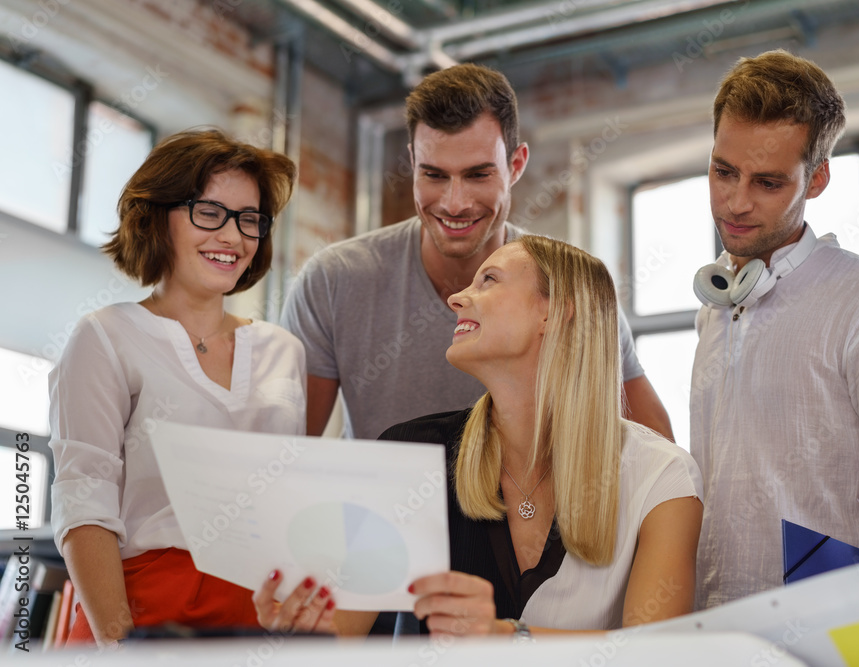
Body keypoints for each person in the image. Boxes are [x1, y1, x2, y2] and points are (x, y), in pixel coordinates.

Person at [253, 235, 703, 637]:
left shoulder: (661, 477)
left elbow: (657, 654)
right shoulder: (408, 455)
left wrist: (507, 638)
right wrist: (302, 627)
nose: (456, 298)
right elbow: (341, 630)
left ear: (556, 311)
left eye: (488, 280)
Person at [689, 49, 859, 634]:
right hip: (720, 631)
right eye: (723, 171)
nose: (735, 202)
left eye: (768, 182)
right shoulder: (717, 306)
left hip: (838, 634)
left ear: (819, 176)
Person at [280, 63, 673, 443]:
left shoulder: (568, 289)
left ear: (515, 165)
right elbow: (286, 451)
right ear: (413, 163)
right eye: (434, 175)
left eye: (478, 174)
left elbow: (656, 449)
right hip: (375, 510)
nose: (455, 203)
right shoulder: (333, 280)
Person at [48, 129, 303, 645]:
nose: (232, 237)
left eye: (249, 219)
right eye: (209, 212)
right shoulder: (105, 336)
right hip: (137, 613)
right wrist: (122, 647)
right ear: (157, 216)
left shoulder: (284, 350)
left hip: (257, 619)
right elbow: (84, 504)